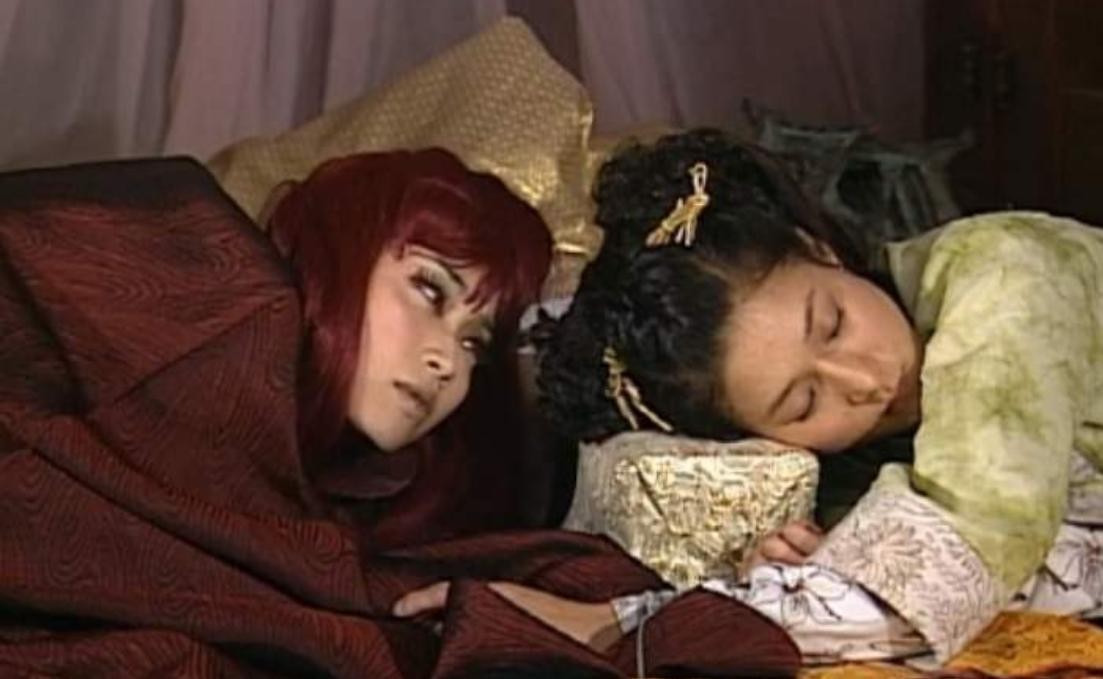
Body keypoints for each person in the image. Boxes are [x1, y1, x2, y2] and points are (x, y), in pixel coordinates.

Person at [0, 149, 806, 678]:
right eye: (428, 288)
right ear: (341, 253)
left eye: (475, 341)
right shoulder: (226, 308)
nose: (447, 361)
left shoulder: (369, 496)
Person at [399, 129, 1103, 666]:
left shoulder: (1004, 279)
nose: (866, 380)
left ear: (817, 249)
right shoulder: (855, 461)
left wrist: (618, 620)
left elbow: (962, 557)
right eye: (804, 403)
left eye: (831, 322)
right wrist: (815, 561)